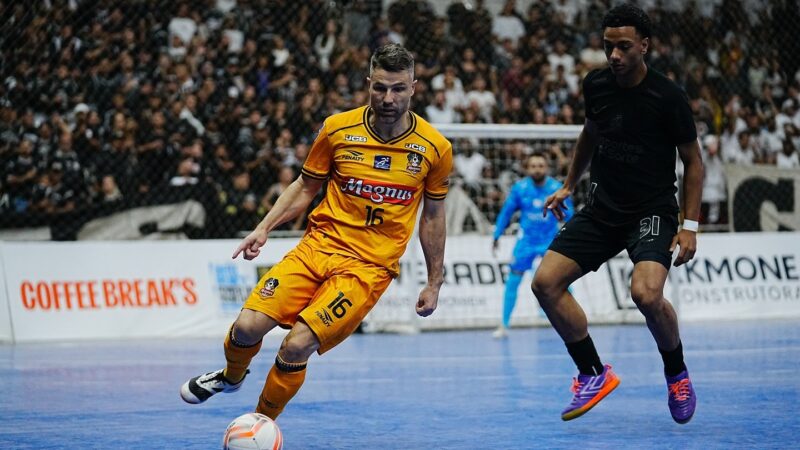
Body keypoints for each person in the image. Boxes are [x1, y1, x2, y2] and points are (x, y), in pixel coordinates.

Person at [179, 44, 452, 421]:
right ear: (368, 83)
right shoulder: (338, 129)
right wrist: (264, 228)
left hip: (367, 268)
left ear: (414, 88)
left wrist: (434, 280)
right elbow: (305, 187)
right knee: (245, 327)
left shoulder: (435, 148)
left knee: (296, 346)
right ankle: (230, 376)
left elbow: (433, 216)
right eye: (380, 88)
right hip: (316, 248)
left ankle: (259, 424)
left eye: (399, 89)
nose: (388, 98)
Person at [531, 4, 703, 424]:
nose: (614, 55)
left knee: (645, 294)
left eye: (624, 46)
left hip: (653, 211)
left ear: (644, 45)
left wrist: (690, 226)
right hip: (602, 208)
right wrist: (569, 185)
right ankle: (592, 372)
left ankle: (676, 372)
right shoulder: (597, 85)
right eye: (608, 46)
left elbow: (694, 162)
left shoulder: (668, 97)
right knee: (545, 283)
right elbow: (590, 133)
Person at [491, 153, 572, 339]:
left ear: (547, 168)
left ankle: (570, 321)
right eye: (533, 166)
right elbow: (506, 212)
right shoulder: (520, 188)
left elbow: (571, 216)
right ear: (527, 169)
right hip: (526, 242)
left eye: (541, 165)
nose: (537, 169)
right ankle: (504, 324)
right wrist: (497, 235)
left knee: (562, 282)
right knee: (513, 280)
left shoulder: (557, 188)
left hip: (550, 241)